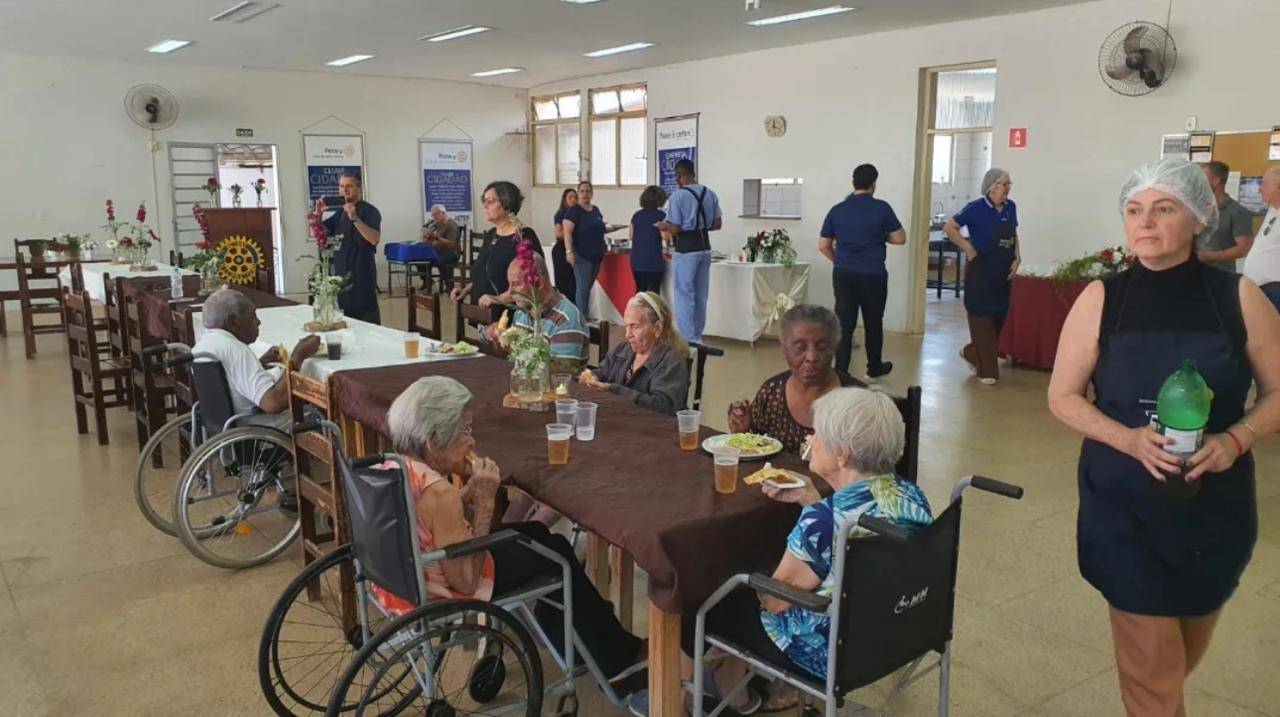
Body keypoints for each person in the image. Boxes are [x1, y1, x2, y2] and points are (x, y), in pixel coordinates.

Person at [1047, 158, 1280, 717]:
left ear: (1200, 216)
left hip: (1214, 508)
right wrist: (1126, 439)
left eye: (1164, 208)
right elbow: (1062, 396)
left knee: (1172, 660)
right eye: (1134, 210)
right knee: (1154, 673)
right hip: (1123, 506)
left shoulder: (1239, 297)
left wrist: (1237, 439)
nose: (1144, 223)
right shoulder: (1103, 299)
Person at [627, 387, 933, 716]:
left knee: (703, 594)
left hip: (828, 653)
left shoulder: (824, 520)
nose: (811, 439)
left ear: (842, 454)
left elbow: (774, 601)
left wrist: (752, 564)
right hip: (897, 633)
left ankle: (669, 700)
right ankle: (732, 685)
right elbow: (849, 537)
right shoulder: (910, 497)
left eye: (817, 433)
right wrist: (813, 499)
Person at [381, 376, 647, 680]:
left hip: (406, 575)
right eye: (464, 431)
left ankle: (576, 640)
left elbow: (430, 522)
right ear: (432, 439)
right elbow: (467, 582)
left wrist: (467, 490)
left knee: (538, 536)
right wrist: (483, 503)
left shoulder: (395, 467)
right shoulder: (438, 492)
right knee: (558, 554)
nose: (472, 441)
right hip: (446, 584)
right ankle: (618, 658)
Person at [727, 305, 862, 454]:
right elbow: (757, 448)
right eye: (800, 347)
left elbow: (880, 471)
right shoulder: (771, 393)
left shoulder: (860, 403)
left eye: (822, 347)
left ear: (834, 347)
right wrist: (744, 431)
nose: (811, 357)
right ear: (784, 348)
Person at [819, 164, 907, 380]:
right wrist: (880, 236)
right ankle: (874, 366)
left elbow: (823, 245)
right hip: (873, 274)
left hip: (844, 273)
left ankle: (840, 369)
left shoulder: (837, 210)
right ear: (874, 184)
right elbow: (900, 238)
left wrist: (838, 260)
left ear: (853, 183)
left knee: (844, 323)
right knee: (873, 322)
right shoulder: (882, 208)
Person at [191, 288, 321, 432]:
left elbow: (233, 381)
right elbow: (274, 403)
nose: (258, 322)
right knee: (323, 415)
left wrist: (261, 362)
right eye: (252, 317)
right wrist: (298, 356)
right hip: (262, 434)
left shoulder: (202, 346)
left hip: (227, 431)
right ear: (233, 323)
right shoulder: (234, 348)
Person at [944, 167, 1019, 385]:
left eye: (1009, 185)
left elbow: (1014, 234)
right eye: (1005, 184)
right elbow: (950, 228)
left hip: (1003, 271)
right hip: (981, 270)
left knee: (998, 317)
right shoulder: (975, 208)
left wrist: (1017, 258)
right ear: (992, 187)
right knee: (982, 317)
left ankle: (971, 352)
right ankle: (987, 370)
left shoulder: (1011, 207)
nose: (1008, 189)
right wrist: (967, 247)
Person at [582, 291, 689, 415]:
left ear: (657, 328)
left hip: (653, 429)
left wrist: (614, 390)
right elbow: (601, 373)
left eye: (635, 327)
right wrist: (592, 378)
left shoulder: (671, 361)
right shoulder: (623, 349)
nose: (628, 335)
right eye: (626, 326)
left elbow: (663, 406)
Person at [450, 181, 545, 318]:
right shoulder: (491, 234)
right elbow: (484, 271)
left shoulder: (523, 237)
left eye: (490, 201)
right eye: (484, 201)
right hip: (485, 314)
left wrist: (500, 299)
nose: (485, 206)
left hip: (510, 317)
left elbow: (531, 282)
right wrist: (466, 290)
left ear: (506, 204)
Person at [485, 254, 588, 374]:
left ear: (539, 283)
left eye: (516, 284)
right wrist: (498, 341)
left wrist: (516, 349)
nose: (510, 292)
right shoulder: (523, 311)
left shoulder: (566, 319)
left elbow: (561, 374)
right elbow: (511, 361)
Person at [657, 159, 722, 344]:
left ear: (679, 176)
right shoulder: (709, 193)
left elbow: (675, 229)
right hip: (705, 248)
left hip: (686, 249)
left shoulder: (678, 196)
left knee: (684, 294)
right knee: (701, 294)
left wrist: (664, 225)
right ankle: (698, 334)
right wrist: (698, 224)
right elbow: (717, 224)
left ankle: (688, 339)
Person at [317, 172, 381, 324]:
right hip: (341, 277)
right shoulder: (340, 212)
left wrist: (354, 217)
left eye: (349, 186)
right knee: (345, 322)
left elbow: (374, 239)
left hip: (361, 276)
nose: (344, 190)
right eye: (341, 186)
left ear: (359, 188)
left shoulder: (369, 211)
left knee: (366, 323)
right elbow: (322, 232)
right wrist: (318, 214)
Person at [1195, 161, 1256, 273]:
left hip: (1220, 275)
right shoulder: (1197, 208)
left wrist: (1211, 256)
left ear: (1215, 181)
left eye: (1202, 177)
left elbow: (1243, 248)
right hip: (1193, 272)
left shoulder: (1238, 212)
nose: (1198, 182)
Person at [562, 181, 608, 319]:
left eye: (588, 191)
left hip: (596, 255)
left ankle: (584, 315)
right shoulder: (574, 211)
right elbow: (567, 233)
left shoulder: (596, 210)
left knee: (587, 287)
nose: (585, 194)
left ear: (592, 193)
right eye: (582, 191)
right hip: (581, 255)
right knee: (582, 288)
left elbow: (600, 227)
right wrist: (568, 252)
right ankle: (581, 319)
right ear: (578, 194)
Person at [1242, 166, 1280, 312]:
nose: (1259, 189)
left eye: (1264, 184)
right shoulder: (1273, 208)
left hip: (1275, 290)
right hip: (1258, 289)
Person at [630, 186, 669, 293]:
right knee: (654, 293)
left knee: (640, 291)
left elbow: (631, 236)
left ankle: (638, 310)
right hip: (654, 261)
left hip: (637, 261)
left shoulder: (636, 215)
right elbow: (666, 236)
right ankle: (654, 310)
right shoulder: (662, 216)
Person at [419, 204, 461, 292]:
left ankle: (448, 284)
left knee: (439, 260)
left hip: (451, 253)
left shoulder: (451, 225)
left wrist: (437, 237)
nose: (434, 217)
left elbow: (451, 244)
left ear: (443, 213)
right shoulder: (436, 224)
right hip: (438, 251)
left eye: (435, 214)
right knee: (420, 258)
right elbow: (429, 241)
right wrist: (426, 236)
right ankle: (427, 281)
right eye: (432, 215)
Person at [552, 188, 579, 301]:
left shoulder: (579, 213)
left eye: (575, 197)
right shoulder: (562, 214)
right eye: (570, 197)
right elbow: (558, 233)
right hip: (561, 251)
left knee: (574, 284)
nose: (573, 200)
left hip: (575, 251)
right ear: (564, 200)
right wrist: (575, 233)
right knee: (564, 284)